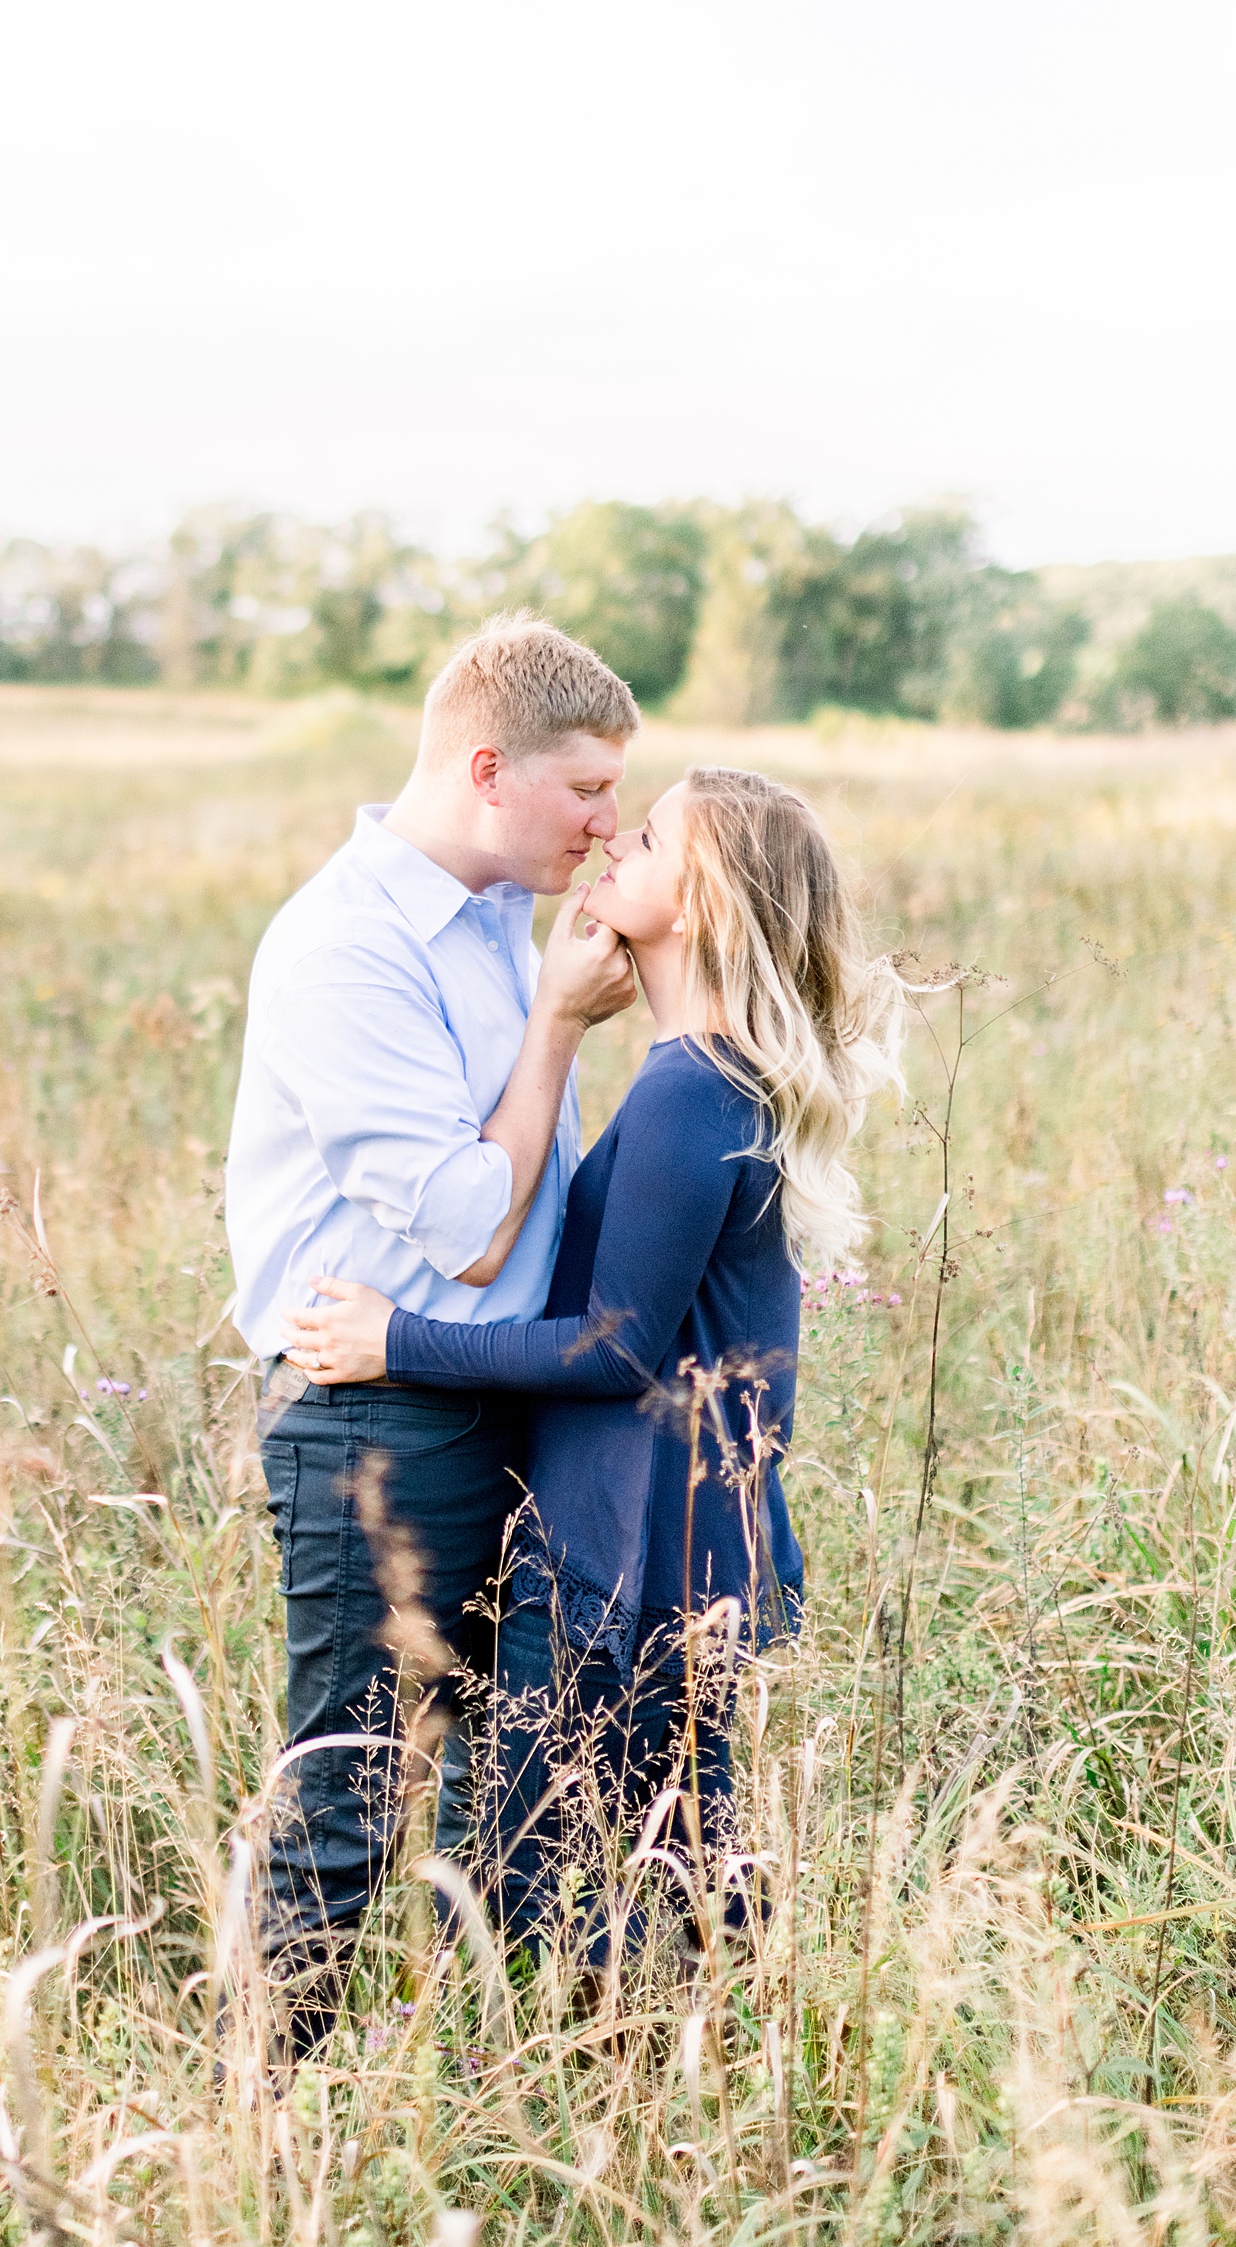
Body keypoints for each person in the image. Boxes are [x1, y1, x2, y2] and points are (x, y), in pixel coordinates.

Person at [284, 765, 906, 1959]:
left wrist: (393, 1339)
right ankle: (717, 2074)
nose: (616, 838)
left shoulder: (692, 1088)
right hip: (671, 1533)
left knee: (532, 1872)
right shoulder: (706, 1077)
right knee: (678, 1850)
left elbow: (617, 1350)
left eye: (653, 835)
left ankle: (616, 2084)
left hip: (630, 1548)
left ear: (708, 901)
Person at [225, 613, 639, 2052]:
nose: (608, 821)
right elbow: (468, 1218)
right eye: (584, 787)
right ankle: (259, 2138)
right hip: (374, 1421)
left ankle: (470, 2098)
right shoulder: (347, 944)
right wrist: (561, 1028)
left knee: (499, 1780)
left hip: (489, 1386)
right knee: (347, 1795)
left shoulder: (488, 923)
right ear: (487, 769)